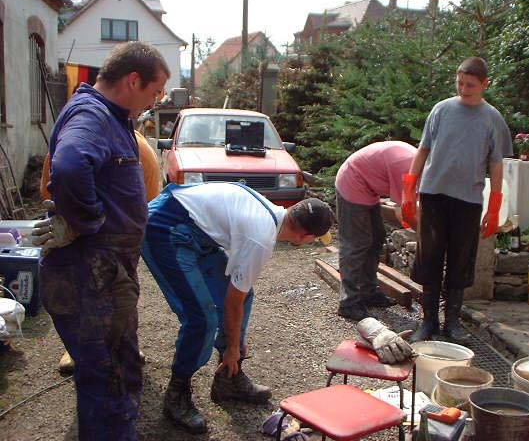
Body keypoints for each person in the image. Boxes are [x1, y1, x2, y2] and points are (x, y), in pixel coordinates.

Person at [31, 41, 170, 440]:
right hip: (91, 272)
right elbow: (70, 165)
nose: (156, 102)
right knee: (109, 380)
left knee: (119, 370)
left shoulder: (111, 116)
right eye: (155, 91)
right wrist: (86, 221)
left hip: (104, 271)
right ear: (133, 80)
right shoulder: (92, 115)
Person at [141, 182, 334, 434]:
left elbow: (238, 295)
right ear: (305, 237)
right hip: (164, 227)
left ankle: (228, 378)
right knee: (202, 319)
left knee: (246, 295)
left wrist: (234, 347)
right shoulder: (260, 238)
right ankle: (176, 394)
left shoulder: (269, 214)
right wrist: (233, 346)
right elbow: (232, 301)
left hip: (194, 228)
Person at [403, 57, 512, 342]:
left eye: (470, 85)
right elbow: (423, 149)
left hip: (468, 199)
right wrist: (409, 189)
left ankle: (453, 322)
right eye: (459, 83)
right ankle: (428, 322)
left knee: (461, 260)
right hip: (433, 194)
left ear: (485, 84)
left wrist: (495, 205)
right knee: (429, 257)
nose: (463, 90)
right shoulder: (441, 110)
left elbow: (496, 164)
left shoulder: (492, 119)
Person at [39, 127, 162, 374]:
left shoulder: (138, 150)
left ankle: (125, 344)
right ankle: (78, 348)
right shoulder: (69, 144)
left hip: (120, 231)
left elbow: (146, 202)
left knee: (122, 289)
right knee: (75, 289)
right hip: (72, 225)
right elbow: (48, 191)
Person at [334, 141, 417, 321]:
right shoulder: (406, 167)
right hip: (352, 182)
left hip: (367, 187)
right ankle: (348, 303)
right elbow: (403, 211)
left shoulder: (419, 165)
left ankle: (368, 291)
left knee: (376, 238)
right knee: (356, 243)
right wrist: (422, 234)